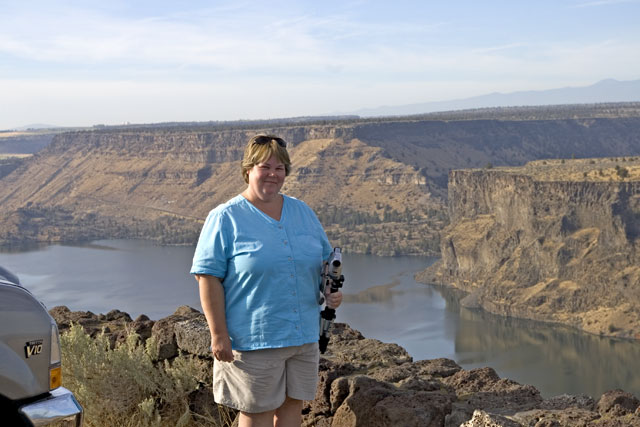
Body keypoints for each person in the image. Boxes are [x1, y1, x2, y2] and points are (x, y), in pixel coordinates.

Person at [190, 134, 343, 427]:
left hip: (302, 335)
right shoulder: (226, 217)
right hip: (254, 340)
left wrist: (331, 293)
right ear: (248, 170)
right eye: (265, 166)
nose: (273, 174)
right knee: (256, 412)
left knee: (291, 407)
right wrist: (218, 334)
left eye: (280, 168)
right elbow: (207, 278)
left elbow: (324, 263)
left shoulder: (303, 212)